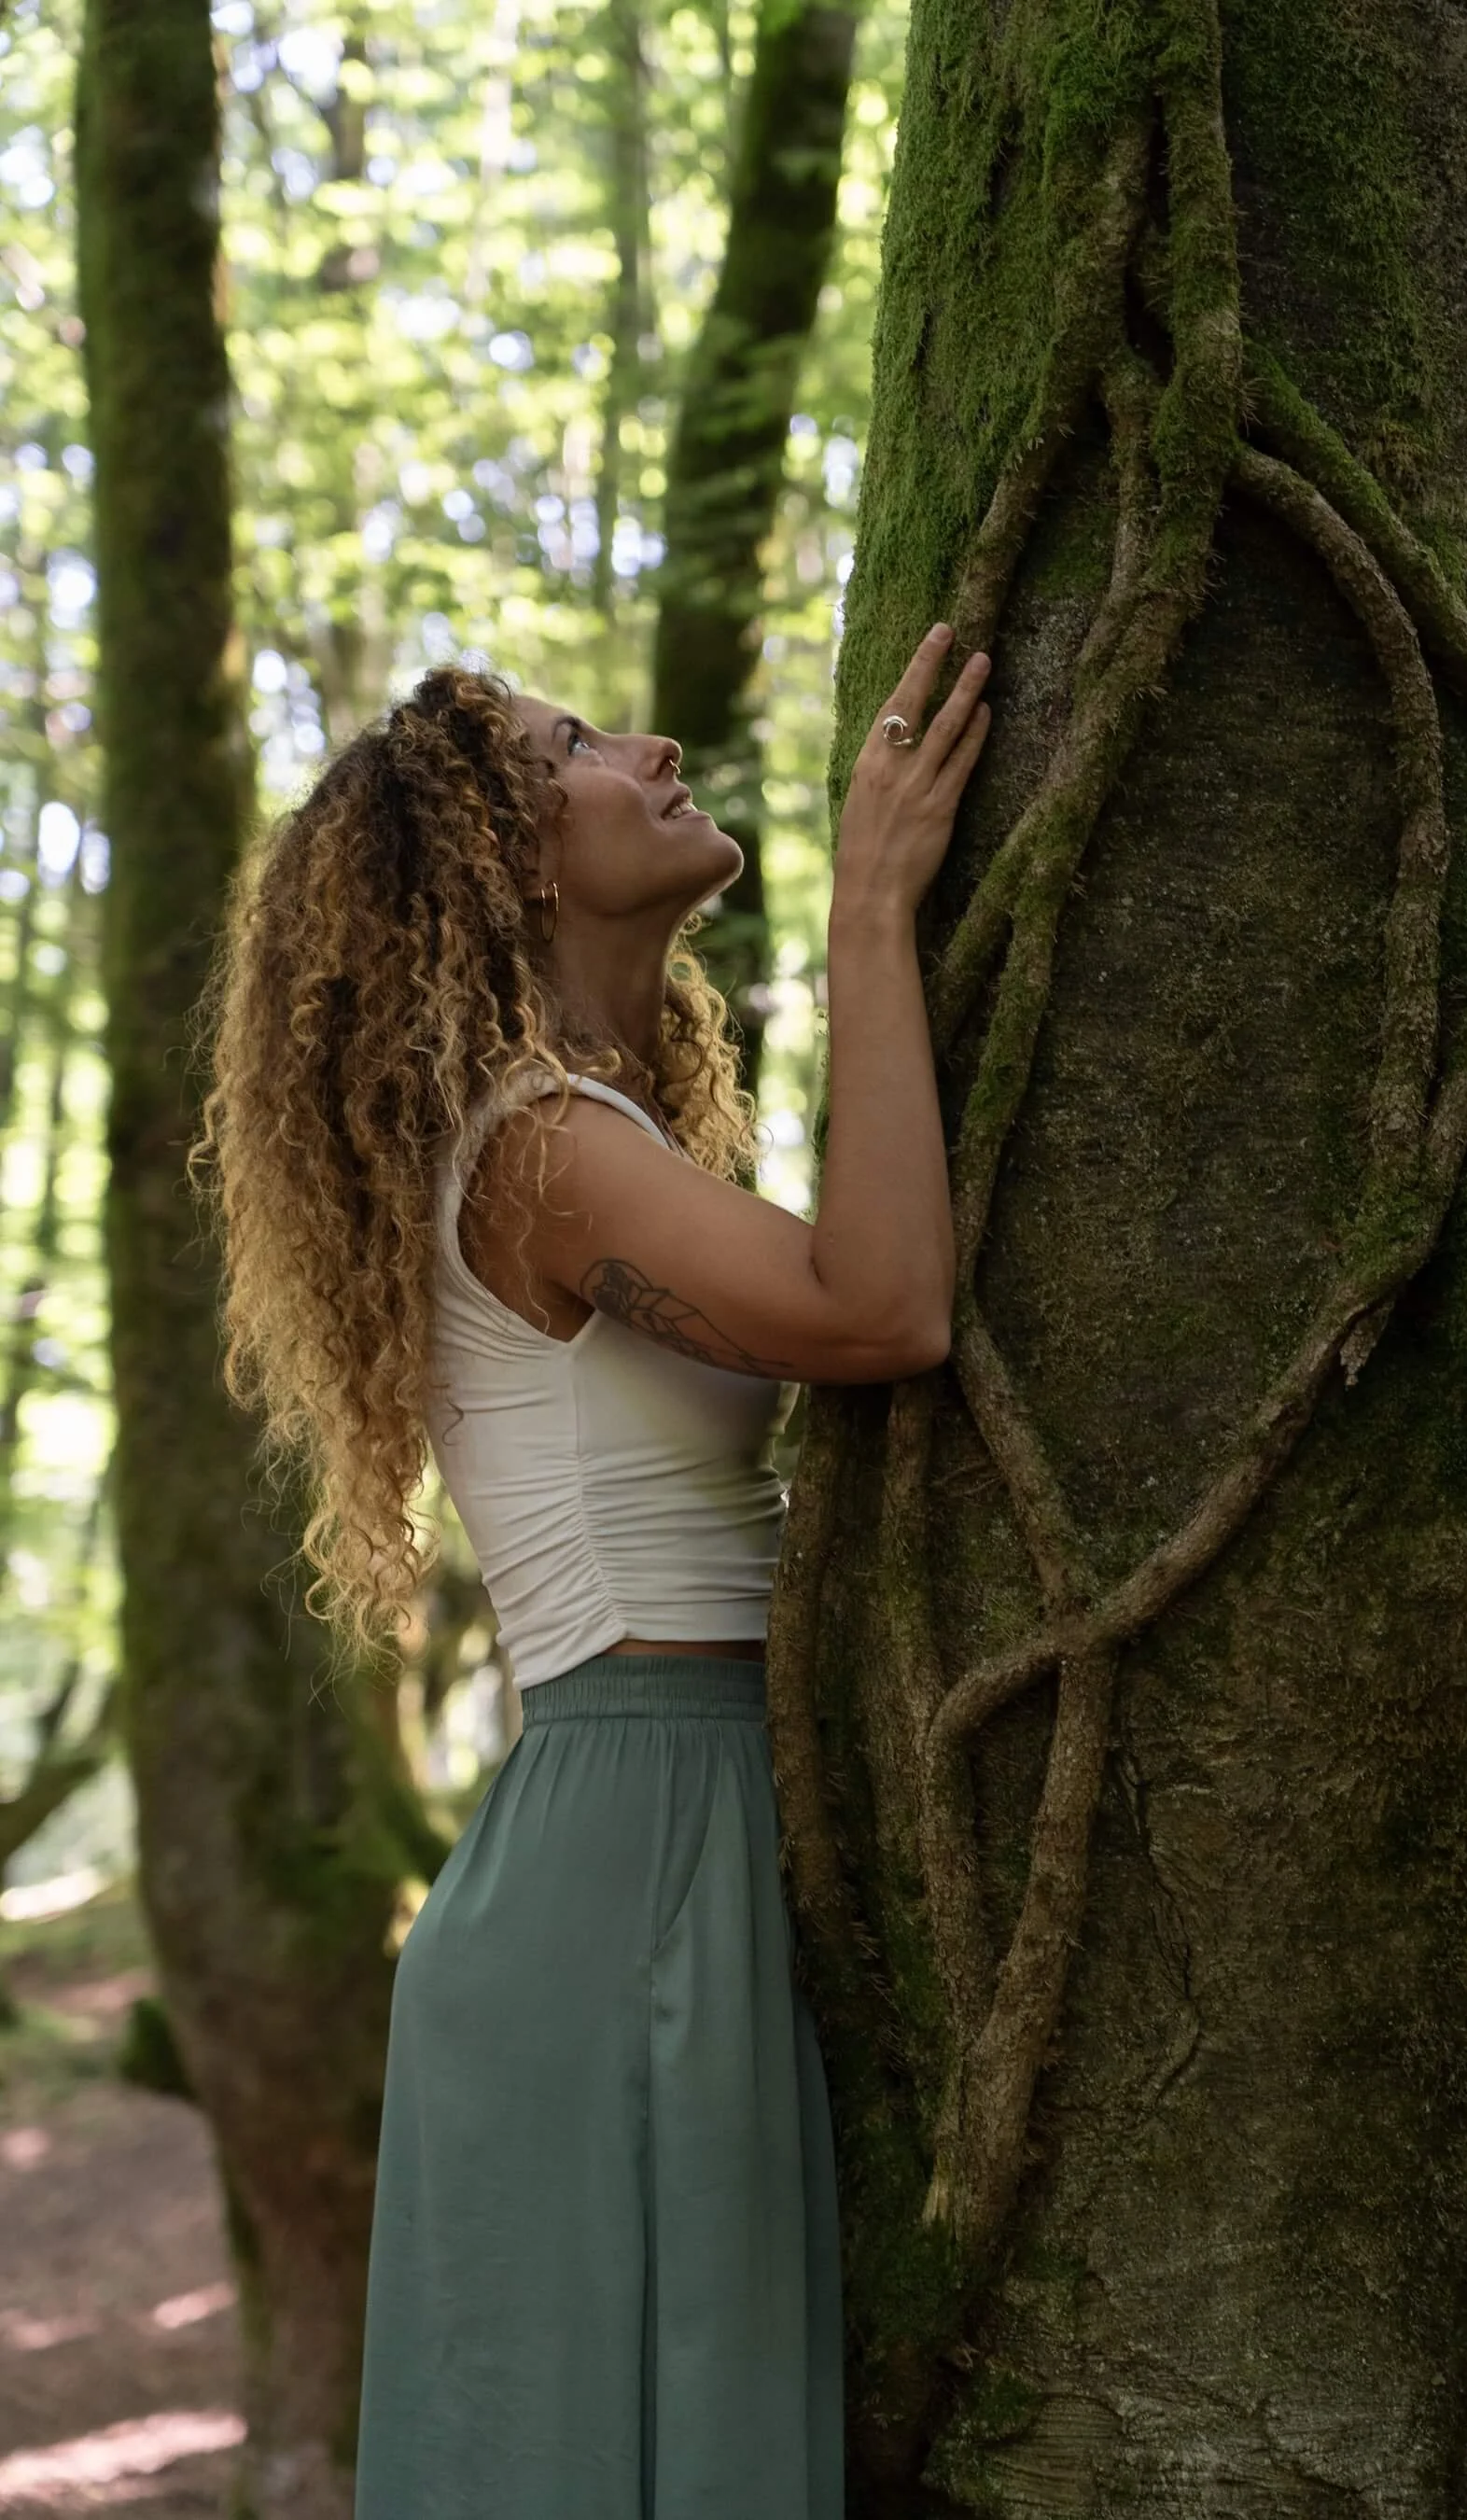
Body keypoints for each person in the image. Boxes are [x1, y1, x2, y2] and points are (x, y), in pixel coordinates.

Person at [192, 619, 992, 2516]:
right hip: (634, 1847)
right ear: (508, 858)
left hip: (646, 1832)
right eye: (581, 747)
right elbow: (881, 1307)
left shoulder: (588, 1125)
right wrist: (875, 907)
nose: (653, 744)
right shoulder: (538, 1149)